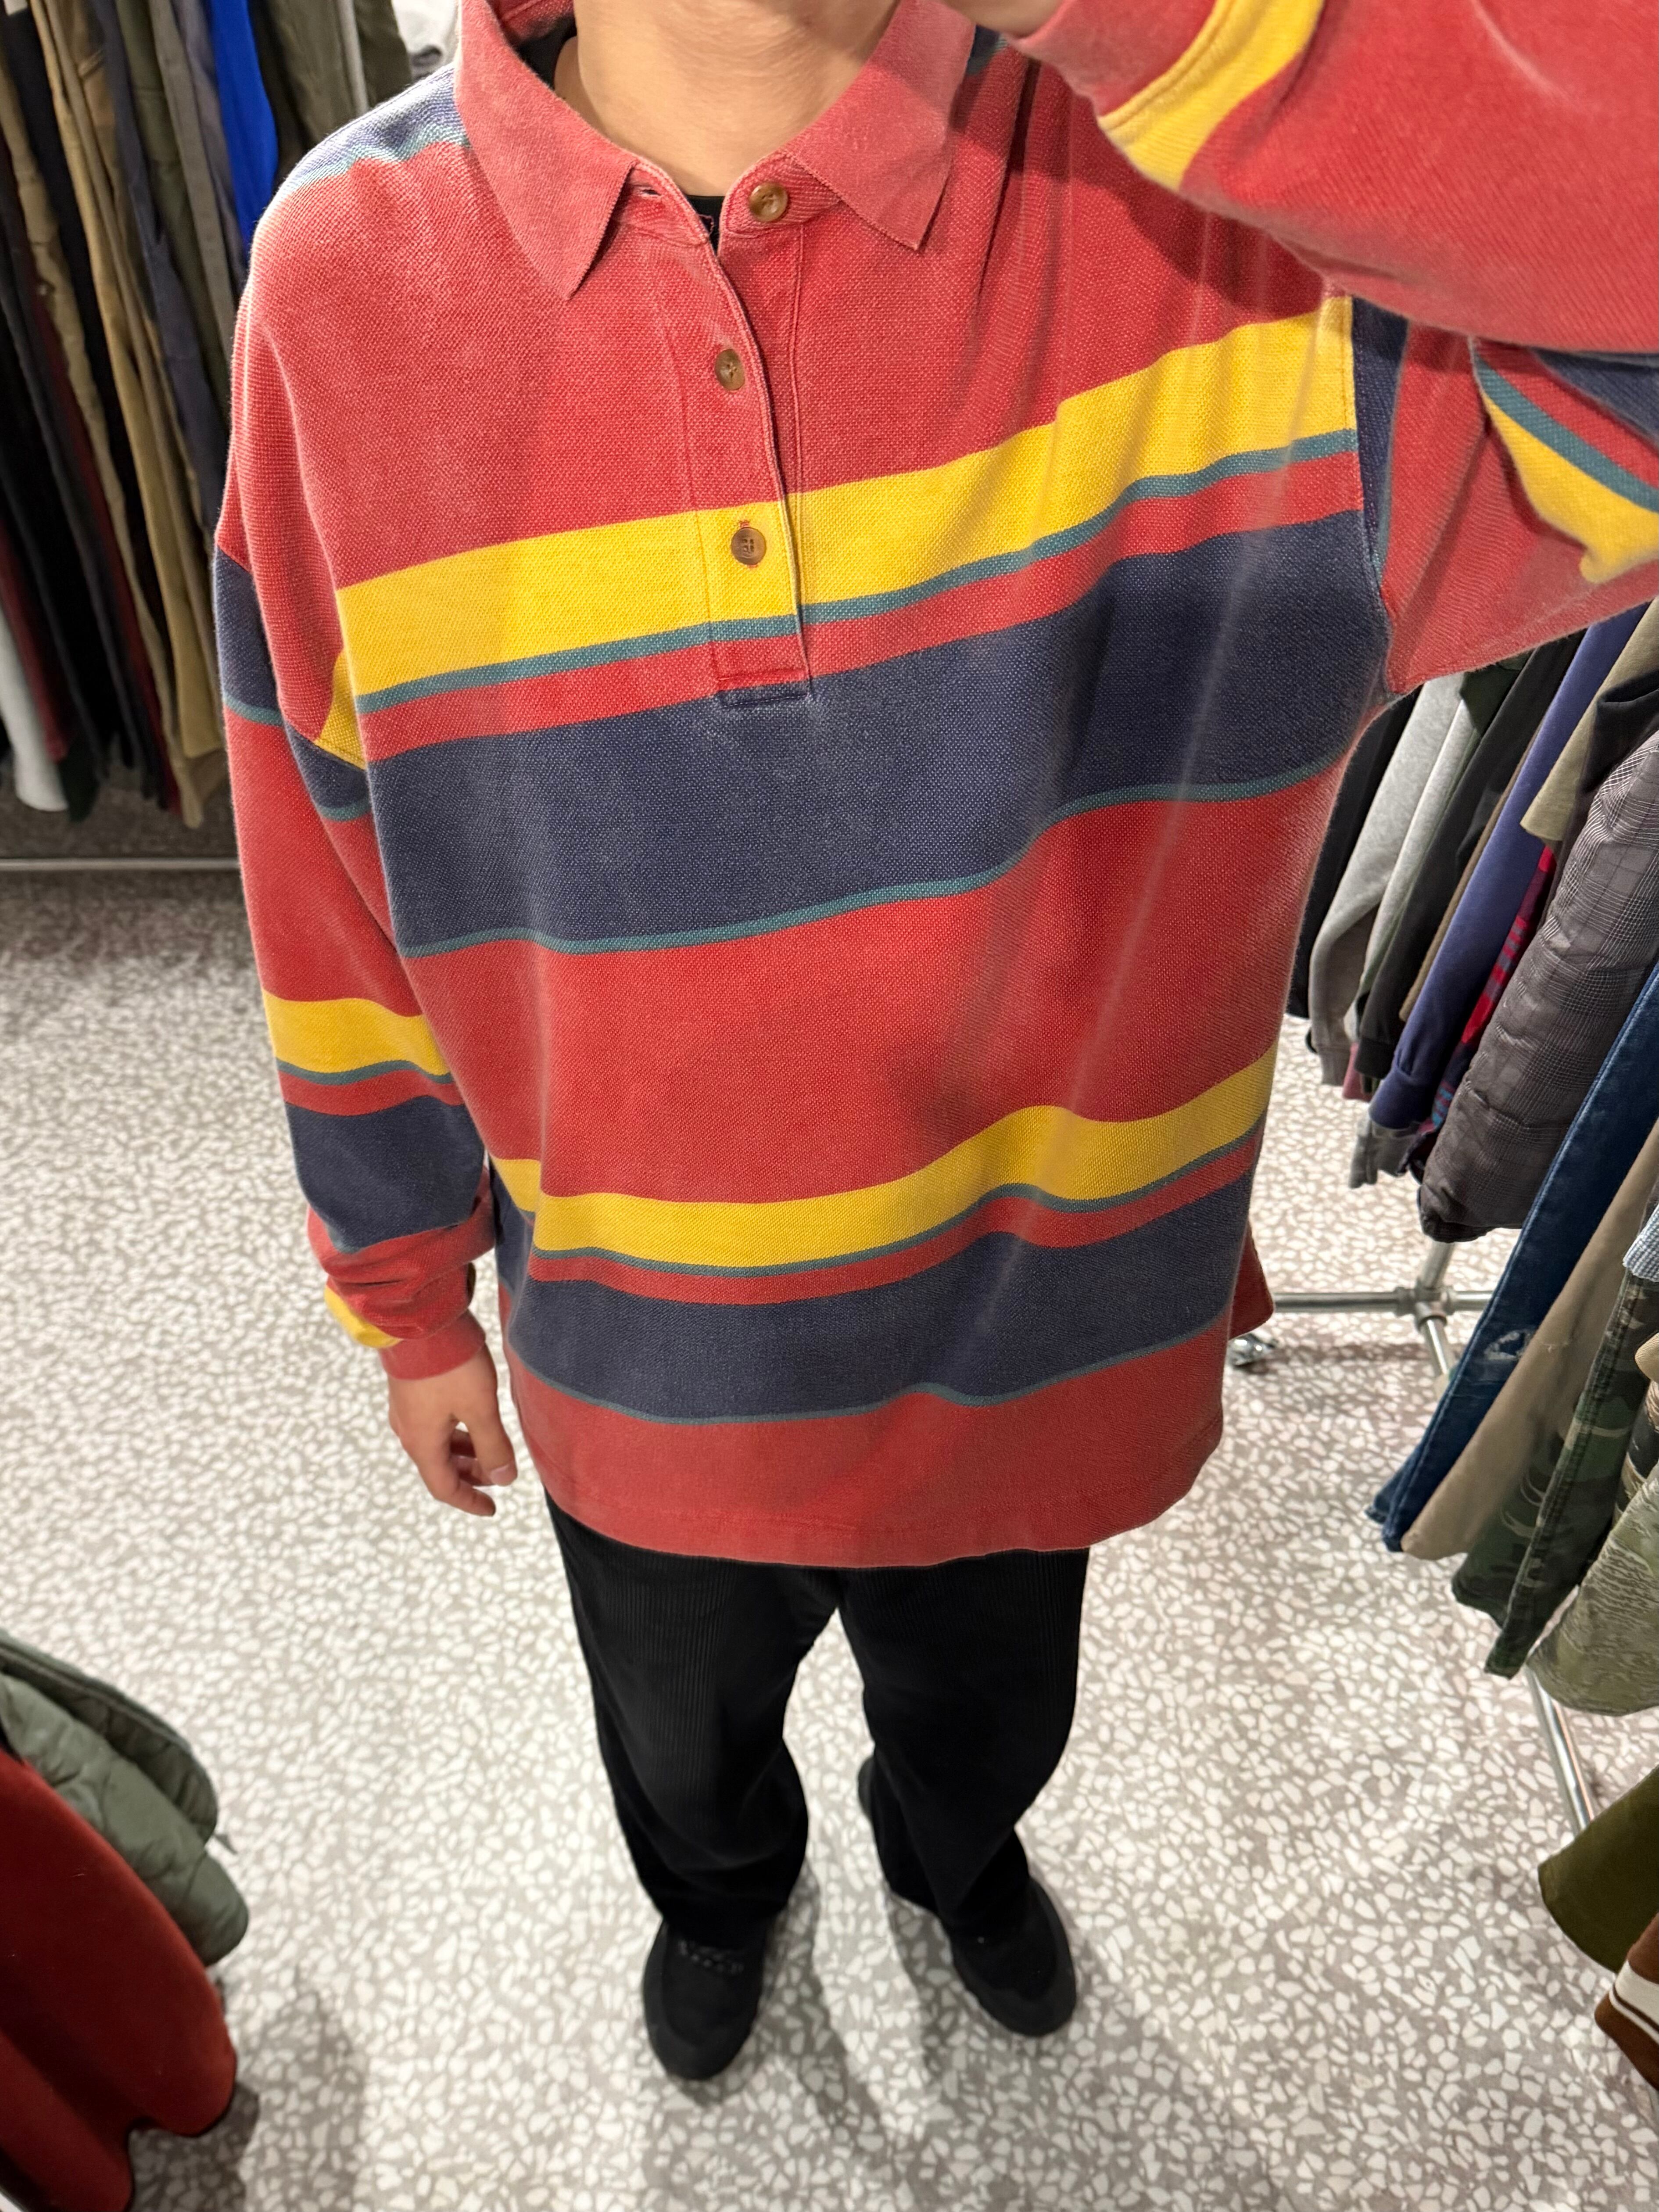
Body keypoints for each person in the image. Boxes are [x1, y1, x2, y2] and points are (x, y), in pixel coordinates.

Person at [214, 0, 1656, 2080]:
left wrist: (1181, 38)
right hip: (643, 1351)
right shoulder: (343, 281)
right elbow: (322, 850)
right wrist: (406, 1293)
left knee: (988, 1717)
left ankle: (948, 1855)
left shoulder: (1228, 236)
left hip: (1036, 1342)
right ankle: (725, 1901)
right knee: (681, 1744)